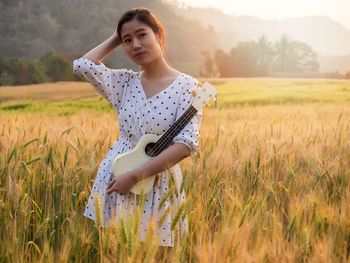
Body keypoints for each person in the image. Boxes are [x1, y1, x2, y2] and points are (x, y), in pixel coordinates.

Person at [72, 6, 202, 256]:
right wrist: (115, 36)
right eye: (127, 41)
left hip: (156, 185)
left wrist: (136, 176)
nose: (135, 45)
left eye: (142, 35)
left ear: (159, 36)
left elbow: (186, 145)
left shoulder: (188, 87)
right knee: (113, 254)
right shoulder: (124, 82)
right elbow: (82, 66)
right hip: (116, 179)